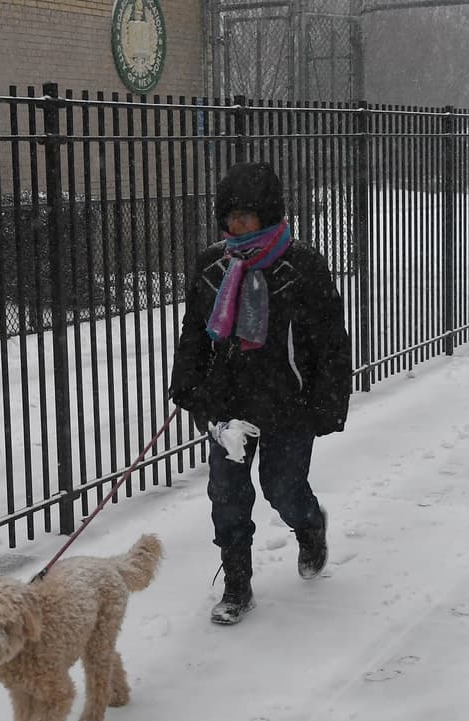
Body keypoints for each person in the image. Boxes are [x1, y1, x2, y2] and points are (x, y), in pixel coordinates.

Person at [169, 161, 352, 625]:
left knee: (282, 487)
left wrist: (328, 402)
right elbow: (195, 332)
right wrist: (188, 385)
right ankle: (237, 583)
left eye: (246, 217)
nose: (236, 227)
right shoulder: (213, 266)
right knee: (226, 495)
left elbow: (330, 340)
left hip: (289, 401)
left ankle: (309, 524)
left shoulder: (303, 266)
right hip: (227, 402)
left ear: (268, 215)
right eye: (230, 218)